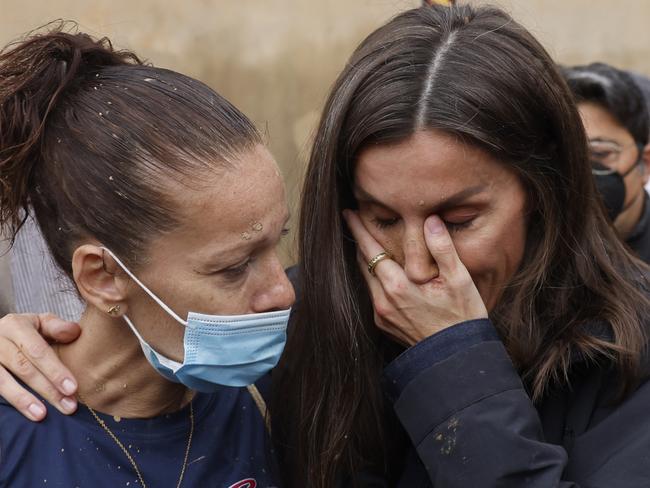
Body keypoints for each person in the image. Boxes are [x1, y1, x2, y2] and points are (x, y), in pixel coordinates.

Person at [1, 5, 650, 488]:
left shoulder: (630, 351)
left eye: (457, 220)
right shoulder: (302, 322)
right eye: (381, 218)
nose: (415, 265)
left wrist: (456, 367)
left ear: (541, 194)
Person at [0, 25, 294, 487]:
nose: (283, 292)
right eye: (234, 267)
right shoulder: (16, 442)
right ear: (102, 277)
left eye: (279, 241)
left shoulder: (279, 396)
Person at [563, 62, 650, 263]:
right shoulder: (538, 249)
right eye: (566, 153)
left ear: (644, 164)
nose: (581, 168)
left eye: (600, 153)